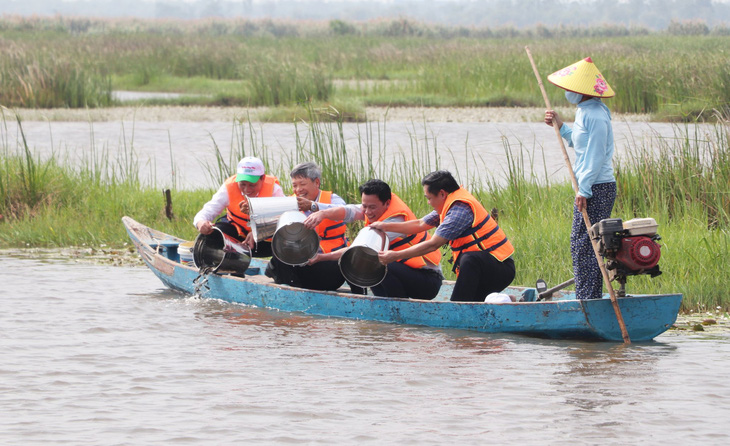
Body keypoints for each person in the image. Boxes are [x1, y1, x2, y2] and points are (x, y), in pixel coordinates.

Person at [372, 170, 515, 302]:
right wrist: (384, 225)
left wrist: (395, 256)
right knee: (477, 299)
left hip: (499, 268)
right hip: (485, 269)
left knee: (469, 260)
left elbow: (433, 244)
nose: (428, 202)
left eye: (429, 198)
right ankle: (509, 300)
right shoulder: (448, 203)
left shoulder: (459, 211)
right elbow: (421, 224)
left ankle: (457, 306)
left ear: (442, 193)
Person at [544, 56, 616, 300]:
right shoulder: (585, 110)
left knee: (585, 245)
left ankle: (587, 299)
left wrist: (584, 190)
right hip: (591, 184)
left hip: (597, 186)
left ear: (580, 90)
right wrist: (560, 125)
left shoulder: (595, 114)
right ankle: (589, 295)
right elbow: (579, 142)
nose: (566, 91)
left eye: (568, 88)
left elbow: (594, 156)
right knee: (586, 243)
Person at [304, 179, 442, 300]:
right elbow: (348, 211)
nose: (368, 212)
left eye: (372, 207)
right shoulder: (372, 207)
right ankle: (379, 303)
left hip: (427, 281)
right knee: (373, 263)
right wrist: (322, 213)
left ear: (387, 203)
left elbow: (358, 249)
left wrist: (322, 257)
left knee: (373, 261)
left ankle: (397, 308)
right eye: (365, 206)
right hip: (405, 273)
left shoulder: (395, 220)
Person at [266, 162, 353, 291]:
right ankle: (290, 287)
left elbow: (344, 211)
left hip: (329, 264)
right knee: (278, 248)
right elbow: (268, 217)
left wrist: (314, 207)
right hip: (301, 264)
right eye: (294, 185)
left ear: (316, 182)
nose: (298, 190)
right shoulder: (289, 202)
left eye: (302, 184)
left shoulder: (333, 200)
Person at [193, 156, 284, 257]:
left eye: (252, 185)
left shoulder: (274, 190)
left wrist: (258, 232)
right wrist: (200, 223)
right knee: (213, 233)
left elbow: (284, 218)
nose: (247, 190)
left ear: (262, 178)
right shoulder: (229, 187)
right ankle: (225, 265)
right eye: (243, 184)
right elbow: (209, 209)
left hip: (264, 239)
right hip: (236, 231)